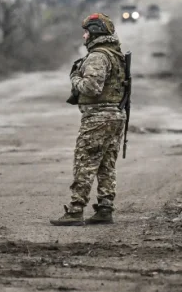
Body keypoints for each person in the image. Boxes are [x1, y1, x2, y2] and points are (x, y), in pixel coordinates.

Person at [50, 12, 127, 226]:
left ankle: (75, 211)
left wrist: (75, 78)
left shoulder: (98, 56)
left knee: (85, 162)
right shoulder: (114, 54)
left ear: (94, 32)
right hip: (115, 115)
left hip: (98, 117)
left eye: (86, 32)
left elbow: (92, 88)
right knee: (106, 164)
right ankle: (105, 208)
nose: (84, 36)